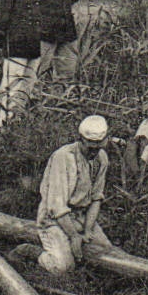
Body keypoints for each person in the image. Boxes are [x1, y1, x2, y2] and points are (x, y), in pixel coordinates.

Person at [35, 116, 117, 275]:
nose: (94, 152)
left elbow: (96, 198)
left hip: (81, 217)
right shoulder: (64, 157)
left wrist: (88, 231)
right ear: (80, 139)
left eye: (98, 147)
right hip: (54, 219)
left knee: (106, 253)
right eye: (90, 147)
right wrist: (74, 236)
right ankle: (32, 252)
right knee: (63, 267)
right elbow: (57, 206)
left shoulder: (101, 158)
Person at [0, 0, 46, 128]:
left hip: (34, 46)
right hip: (15, 47)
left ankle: (18, 122)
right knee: (10, 87)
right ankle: (3, 124)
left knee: (28, 86)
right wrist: (4, 44)